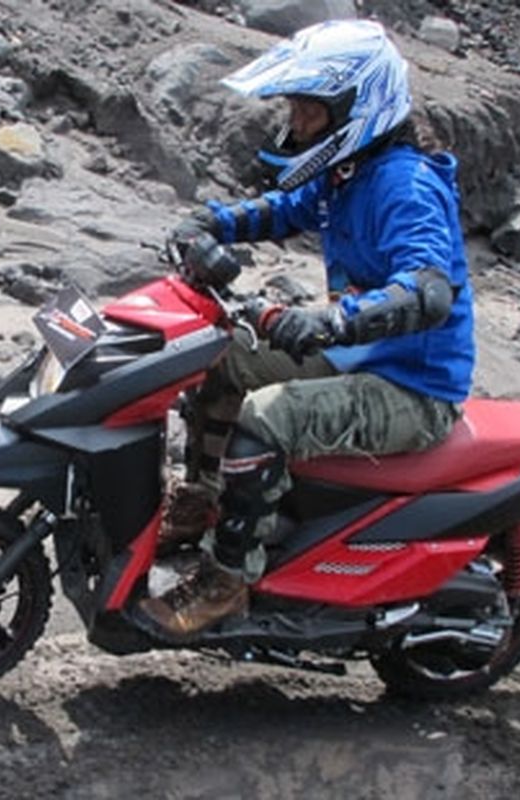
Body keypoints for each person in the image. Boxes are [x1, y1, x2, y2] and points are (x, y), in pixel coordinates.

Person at [139, 19, 476, 637]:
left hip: (412, 387)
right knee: (220, 354)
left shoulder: (405, 185)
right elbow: (281, 210)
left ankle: (228, 579)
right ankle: (204, 499)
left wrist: (330, 321)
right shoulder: (348, 172)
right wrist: (210, 226)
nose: (295, 126)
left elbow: (427, 290)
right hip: (359, 359)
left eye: (307, 113)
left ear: (357, 108)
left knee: (266, 416)